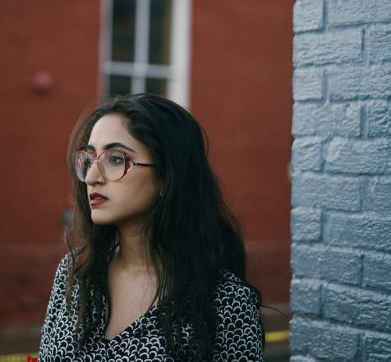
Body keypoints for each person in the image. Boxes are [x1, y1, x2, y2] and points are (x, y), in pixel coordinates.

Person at [39, 93, 264, 361]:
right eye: (89, 158)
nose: (91, 177)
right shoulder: (76, 273)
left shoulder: (226, 301)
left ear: (166, 177)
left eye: (115, 159)